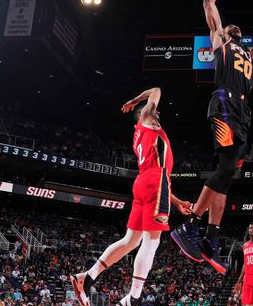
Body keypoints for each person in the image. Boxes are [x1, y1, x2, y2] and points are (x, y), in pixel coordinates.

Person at [172, 0, 253, 274]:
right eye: (229, 27)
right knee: (223, 170)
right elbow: (208, 2)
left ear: (242, 36)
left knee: (228, 174)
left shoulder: (251, 53)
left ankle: (212, 236)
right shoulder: (221, 41)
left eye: (236, 28)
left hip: (243, 112)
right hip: (223, 104)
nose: (233, 28)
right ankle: (190, 225)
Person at [71, 87, 193, 306]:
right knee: (151, 242)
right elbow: (156, 90)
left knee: (131, 241)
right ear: (144, 113)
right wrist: (135, 100)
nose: (158, 113)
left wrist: (176, 202)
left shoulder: (140, 135)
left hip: (145, 183)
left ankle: (86, 278)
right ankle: (133, 298)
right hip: (156, 181)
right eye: (154, 111)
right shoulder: (148, 120)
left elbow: (157, 179)